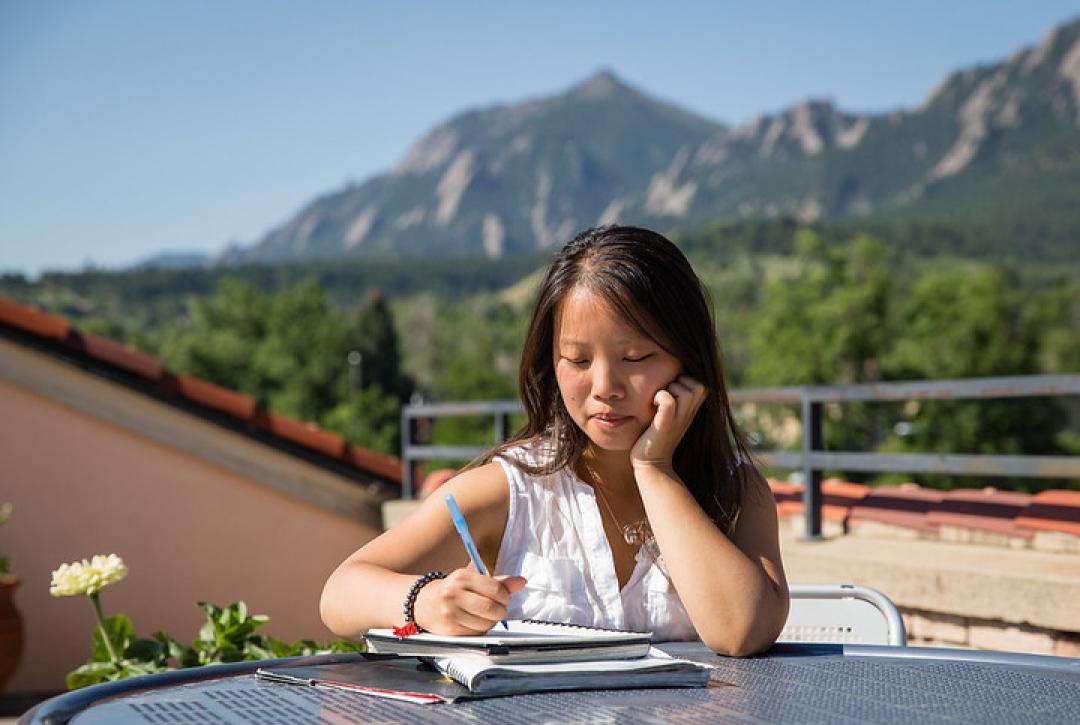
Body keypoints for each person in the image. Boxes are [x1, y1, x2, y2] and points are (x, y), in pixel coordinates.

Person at [320, 225, 789, 656]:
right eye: (578, 360)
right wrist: (425, 601)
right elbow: (341, 592)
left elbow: (740, 632)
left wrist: (655, 469)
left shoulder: (737, 493)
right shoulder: (512, 489)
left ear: (688, 362)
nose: (605, 386)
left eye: (636, 357)